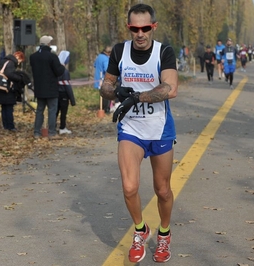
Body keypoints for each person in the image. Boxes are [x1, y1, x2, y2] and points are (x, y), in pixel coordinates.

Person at [99, 3, 177, 263]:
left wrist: (138, 97)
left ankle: (164, 235)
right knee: (130, 187)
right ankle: (140, 230)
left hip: (160, 128)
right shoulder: (120, 51)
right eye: (135, 28)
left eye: (145, 28)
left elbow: (170, 88)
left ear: (153, 27)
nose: (140, 33)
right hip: (131, 127)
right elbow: (105, 86)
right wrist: (117, 92)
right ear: (129, 27)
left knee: (162, 190)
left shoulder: (163, 51)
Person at [30, 35, 66, 140]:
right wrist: (62, 67)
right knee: (52, 110)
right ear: (48, 44)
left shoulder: (33, 57)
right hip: (51, 88)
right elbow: (58, 71)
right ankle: (51, 132)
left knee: (39, 110)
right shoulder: (52, 57)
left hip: (39, 88)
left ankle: (37, 132)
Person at [0, 51, 29, 131]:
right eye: (20, 61)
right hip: (7, 88)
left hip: (1, 87)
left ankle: (5, 125)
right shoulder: (11, 63)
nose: (19, 63)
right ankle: (10, 126)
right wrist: (19, 78)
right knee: (9, 107)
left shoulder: (4, 61)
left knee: (4, 107)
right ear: (18, 58)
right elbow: (9, 74)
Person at [57, 51, 76, 134]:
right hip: (63, 94)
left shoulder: (55, 69)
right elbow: (67, 86)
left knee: (55, 112)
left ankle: (52, 127)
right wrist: (72, 99)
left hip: (55, 93)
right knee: (63, 112)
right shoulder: (64, 72)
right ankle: (62, 127)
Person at [94, 46, 112, 113]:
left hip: (98, 78)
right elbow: (107, 69)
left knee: (102, 94)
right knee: (107, 94)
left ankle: (102, 107)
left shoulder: (99, 56)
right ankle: (106, 109)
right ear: (108, 52)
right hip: (104, 79)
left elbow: (95, 65)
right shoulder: (105, 58)